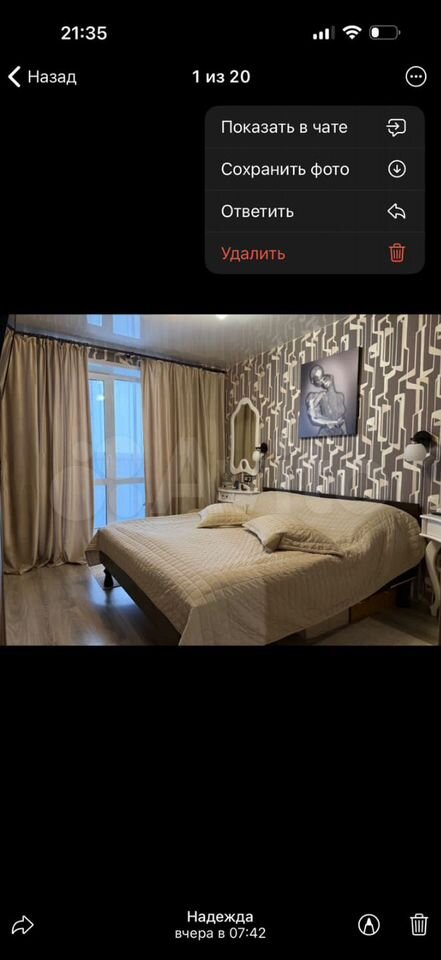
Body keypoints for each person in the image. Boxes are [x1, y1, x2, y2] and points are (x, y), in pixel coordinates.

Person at [305, 364, 347, 436]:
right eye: (317, 378)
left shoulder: (339, 395)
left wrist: (331, 385)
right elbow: (314, 418)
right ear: (313, 381)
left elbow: (339, 412)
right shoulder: (312, 396)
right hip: (328, 429)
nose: (321, 380)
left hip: (340, 428)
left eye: (322, 376)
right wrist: (334, 422)